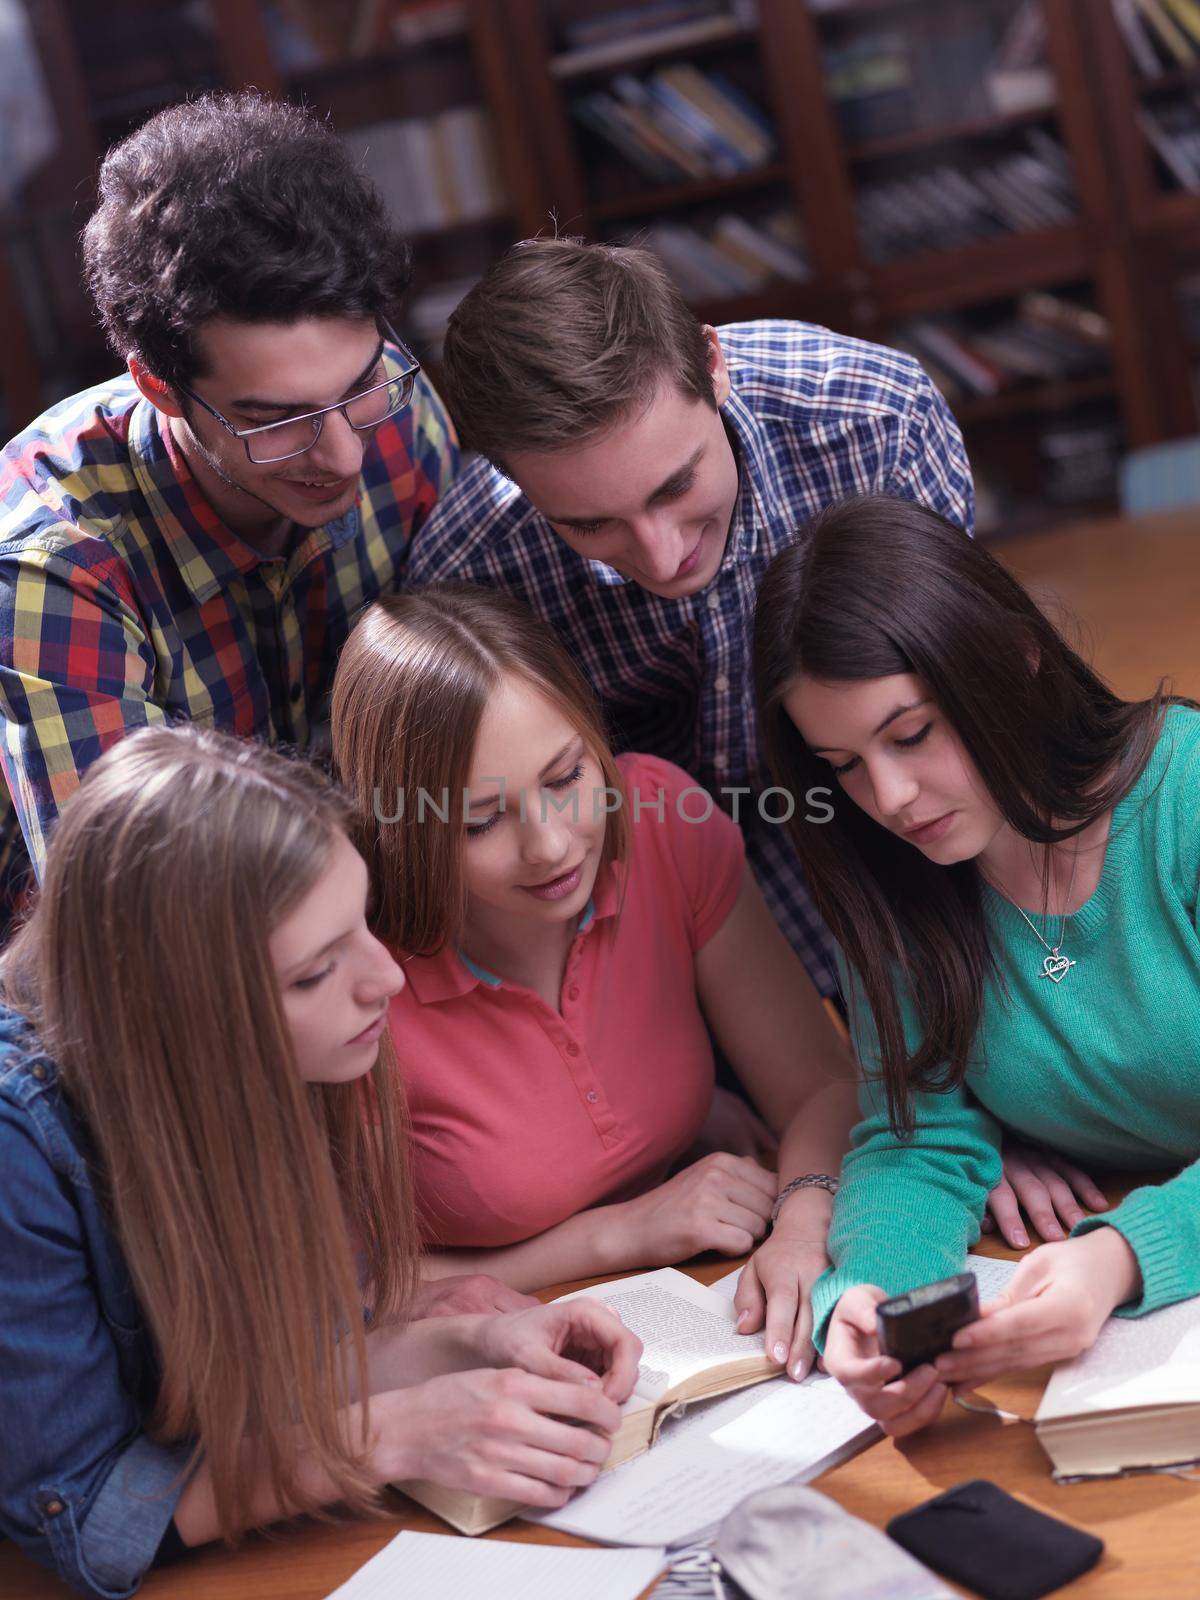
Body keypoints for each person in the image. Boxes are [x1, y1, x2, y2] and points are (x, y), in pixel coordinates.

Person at [0, 726, 641, 1599]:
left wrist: (468, 1342)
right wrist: (396, 1432)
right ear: (183, 1019)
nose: (388, 981)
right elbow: (85, 1514)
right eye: (312, 974)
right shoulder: (19, 1148)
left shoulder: (297, 1059)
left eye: (362, 925)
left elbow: (283, 1368)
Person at [405, 236, 973, 1002]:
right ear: (507, 476)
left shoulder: (877, 419)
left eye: (676, 486)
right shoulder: (469, 572)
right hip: (634, 893)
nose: (663, 555)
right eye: (591, 525)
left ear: (712, 365)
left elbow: (961, 691)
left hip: (887, 806)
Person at [752, 492, 1200, 1438]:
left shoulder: (1184, 803)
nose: (891, 797)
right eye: (843, 764)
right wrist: (869, 1301)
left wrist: (1121, 1255)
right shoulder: (899, 885)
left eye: (911, 734)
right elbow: (917, 1137)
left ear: (1015, 659)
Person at [331, 585, 861, 1381]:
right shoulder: (356, 971)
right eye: (480, 821)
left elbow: (821, 1085)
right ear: (398, 829)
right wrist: (614, 1234)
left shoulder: (658, 820)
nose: (549, 846)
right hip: (495, 1369)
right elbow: (338, 1299)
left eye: (565, 775)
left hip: (706, 1312)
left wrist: (803, 1215)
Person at [0, 90, 458, 935]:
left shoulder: (401, 411)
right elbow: (140, 920)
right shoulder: (55, 564)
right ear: (159, 387)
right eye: (275, 420)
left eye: (358, 387)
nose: (346, 455)